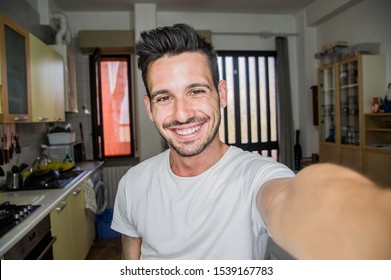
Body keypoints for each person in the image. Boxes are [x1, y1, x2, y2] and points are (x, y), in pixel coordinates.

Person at [111, 23, 391, 260]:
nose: (181, 114)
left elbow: (287, 199)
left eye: (196, 91)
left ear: (221, 94)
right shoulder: (133, 183)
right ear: (150, 108)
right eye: (164, 97)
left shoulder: (257, 176)